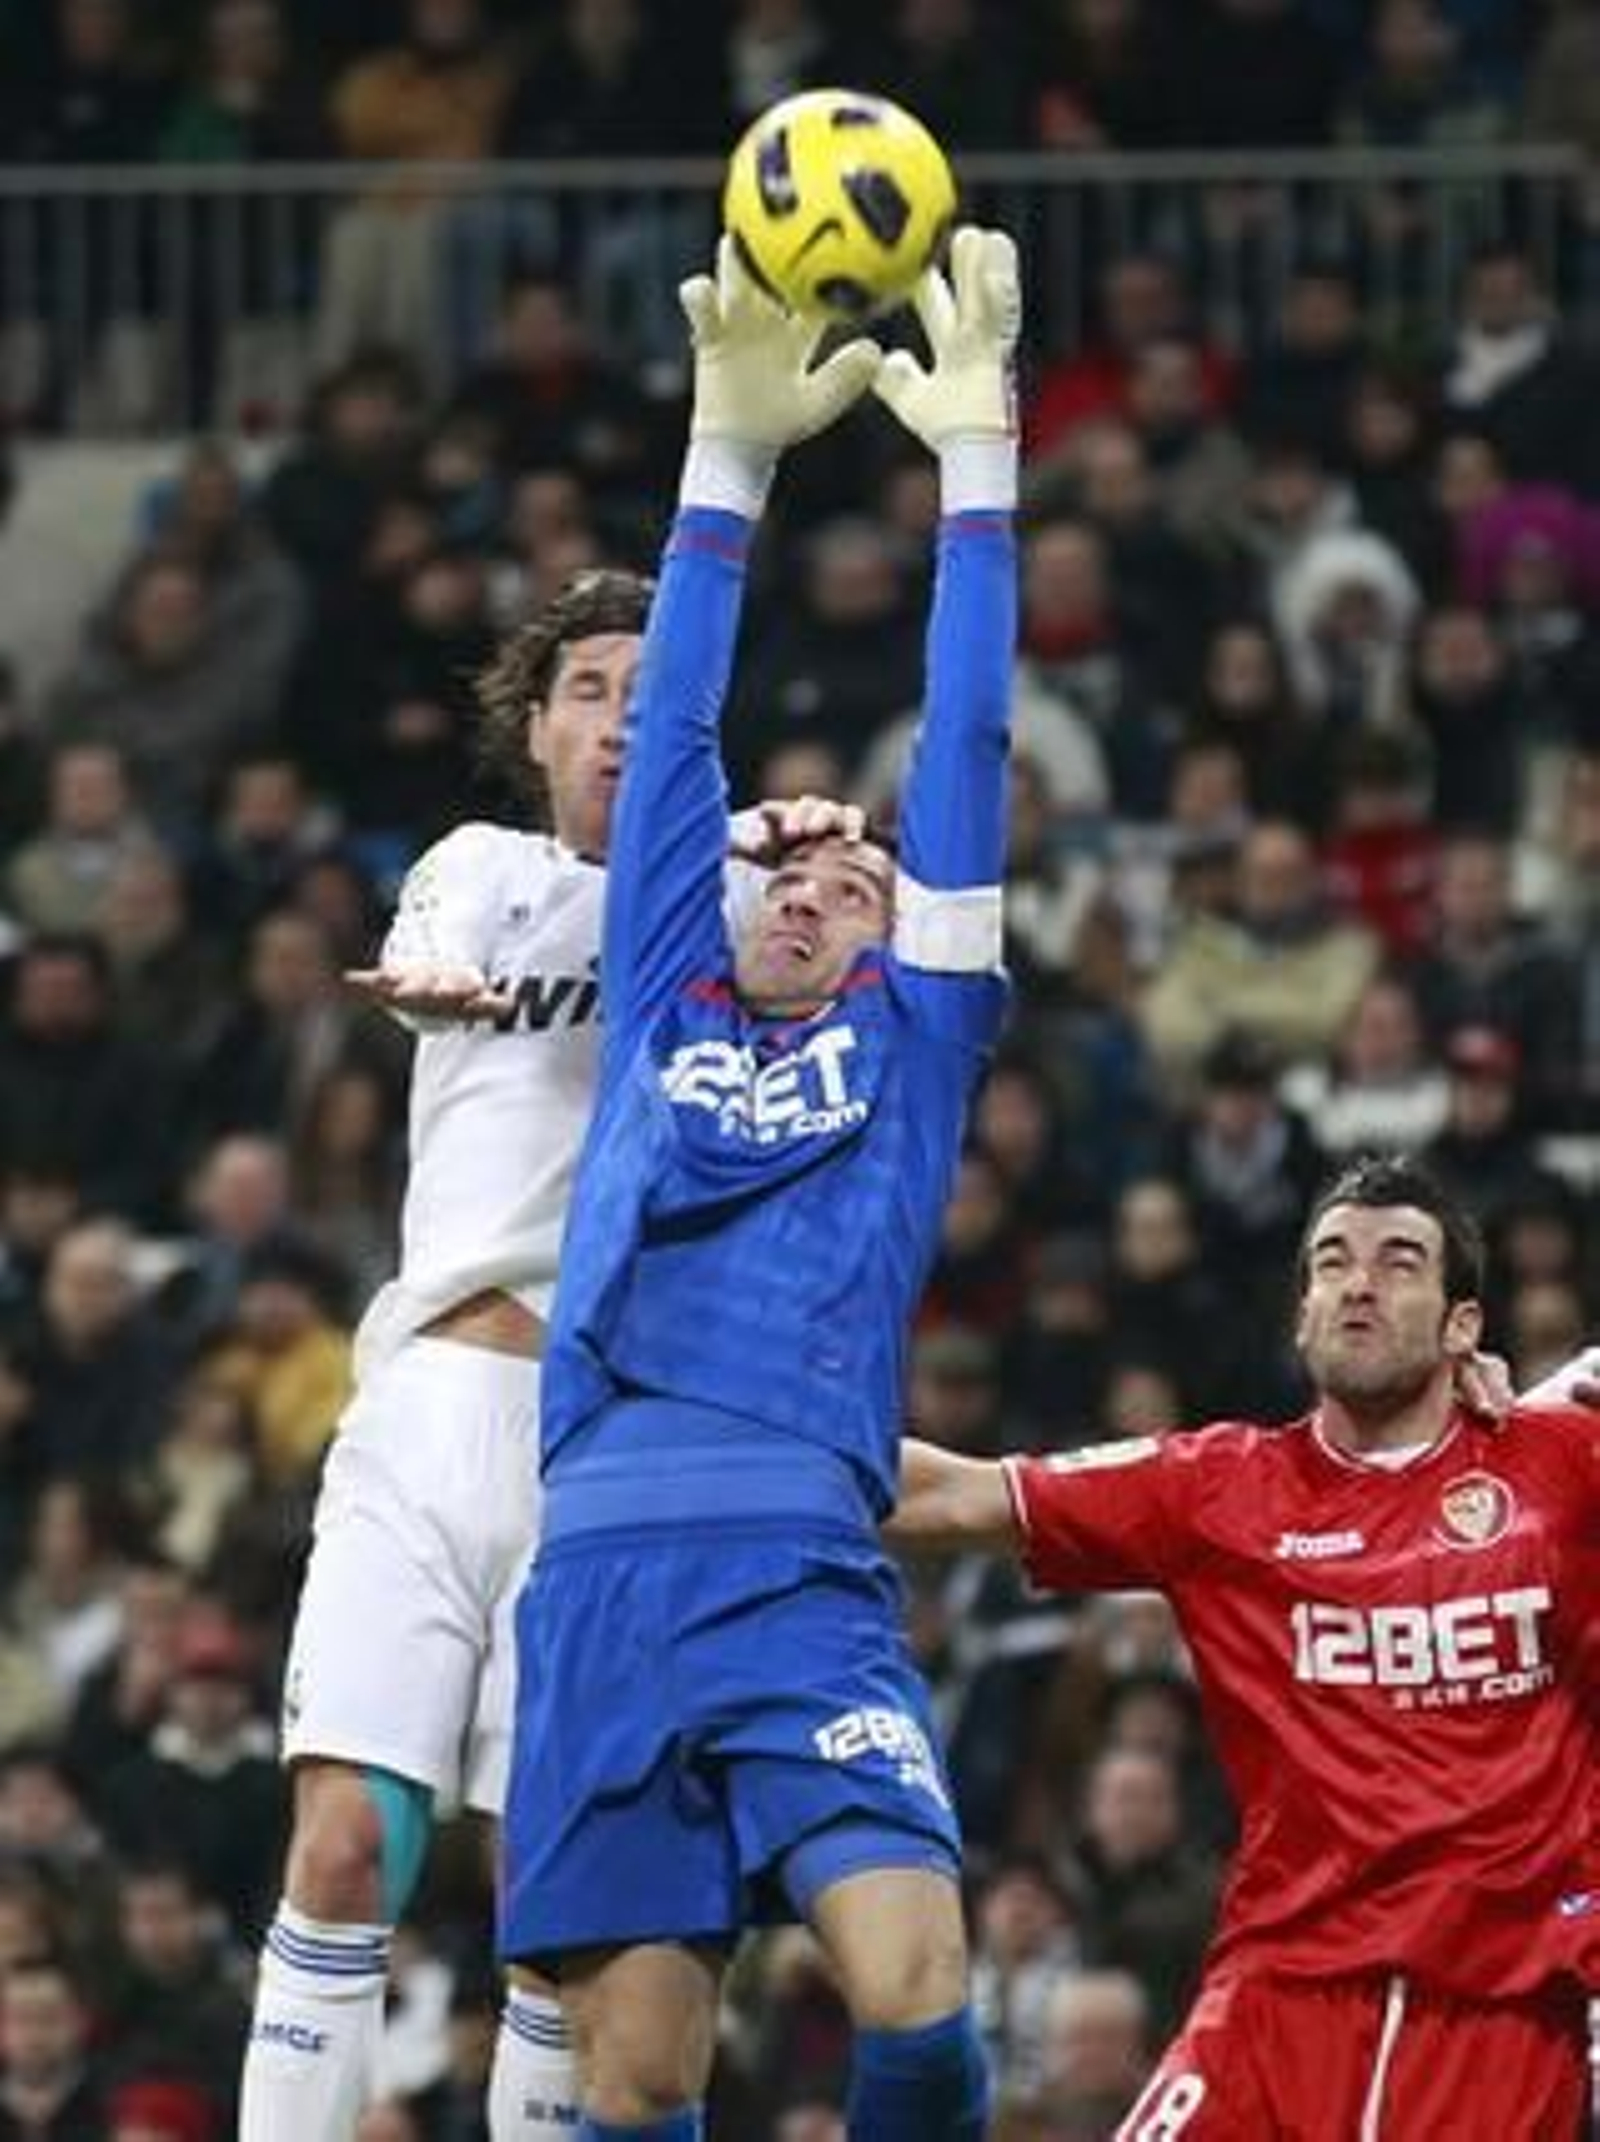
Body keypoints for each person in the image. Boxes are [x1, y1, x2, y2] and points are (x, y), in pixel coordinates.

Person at [238, 511, 857, 2131]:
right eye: (590, 684)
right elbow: (432, 951)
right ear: (539, 725)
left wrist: (814, 880)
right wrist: (457, 979)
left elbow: (852, 972)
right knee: (347, 1846)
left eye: (662, 687)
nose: (623, 713)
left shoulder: (742, 898)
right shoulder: (483, 870)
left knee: (553, 1906)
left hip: (613, 1458)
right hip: (437, 1407)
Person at [498, 226, 1020, 2140]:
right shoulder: (661, 991)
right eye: (794, 870)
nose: (814, 882)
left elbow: (962, 745)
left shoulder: (921, 1042)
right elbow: (675, 743)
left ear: (905, 936)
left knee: (921, 1996)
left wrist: (980, 474)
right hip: (602, 1575)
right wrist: (726, 458)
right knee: (636, 2083)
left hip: (800, 1575)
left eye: (859, 882)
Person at [890, 1152, 1600, 2138]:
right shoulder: (1219, 1490)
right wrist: (702, 1447)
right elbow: (953, 1494)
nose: (1358, 1281)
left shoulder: (1561, 1465)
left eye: (1399, 1262)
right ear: (1301, 1312)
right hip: (1273, 1998)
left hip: (1494, 2009)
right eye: (1330, 1263)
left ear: (1462, 1323)